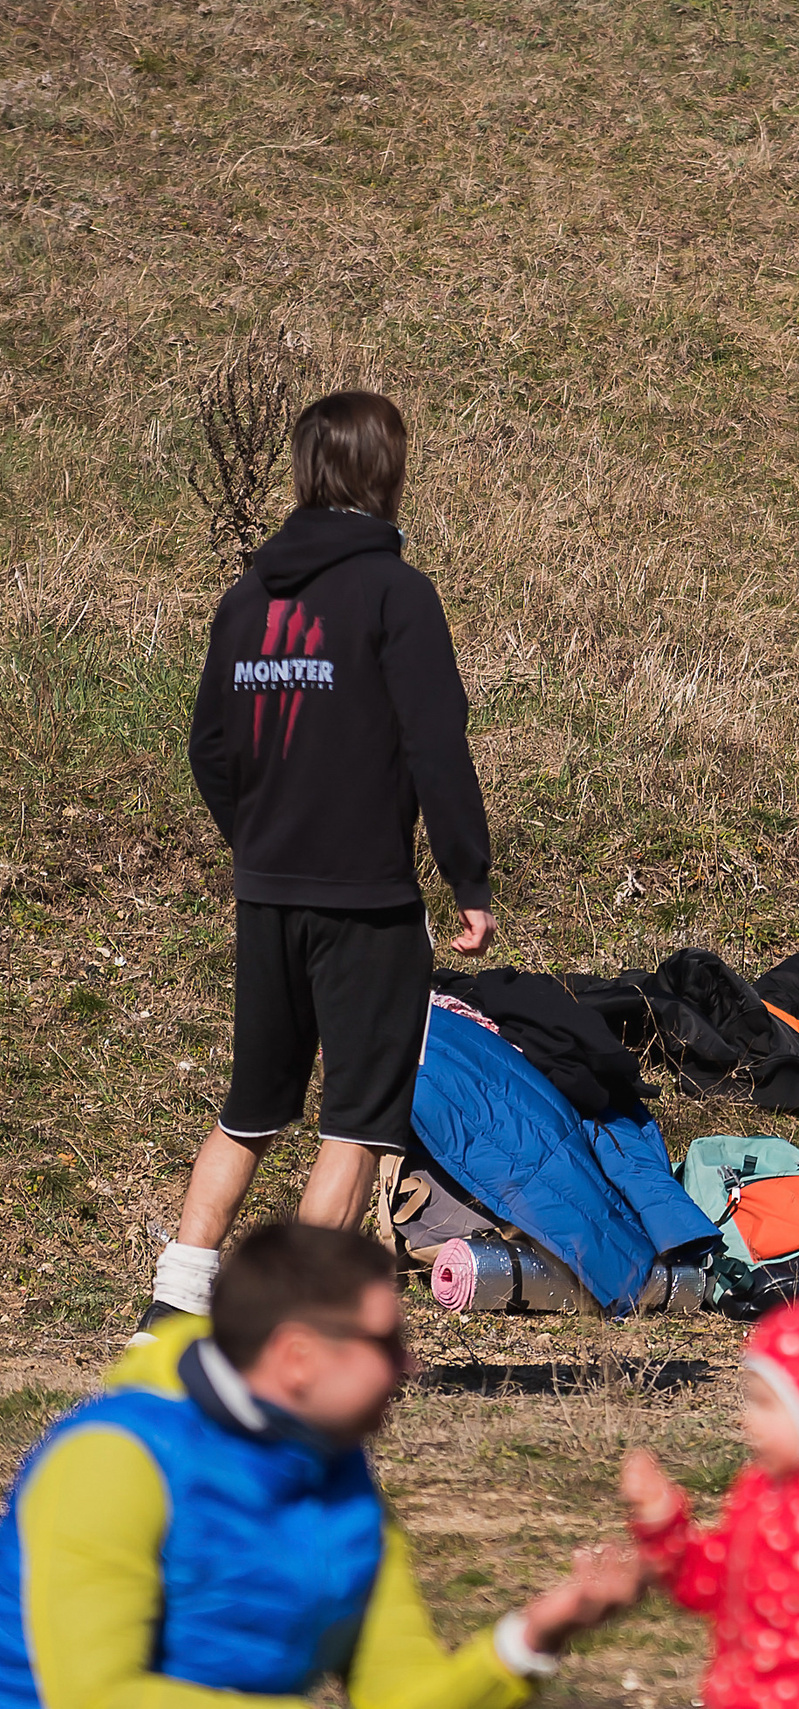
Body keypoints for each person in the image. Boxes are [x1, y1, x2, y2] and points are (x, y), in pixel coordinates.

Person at [146, 391, 496, 1338]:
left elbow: (209, 747)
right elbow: (437, 742)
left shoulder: (247, 597)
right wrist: (470, 877)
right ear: (385, 473)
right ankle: (288, 1332)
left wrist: (258, 839)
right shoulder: (397, 593)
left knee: (249, 1111)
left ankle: (171, 1306)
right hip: (368, 905)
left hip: (265, 895)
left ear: (306, 470)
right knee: (357, 1123)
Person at [0, 1222, 640, 1709]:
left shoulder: (336, 1471)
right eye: (386, 1342)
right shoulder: (112, 1463)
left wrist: (527, 1640)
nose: (410, 1365)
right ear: (298, 1358)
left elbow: (400, 1693)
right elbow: (96, 1695)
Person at [620, 1293, 799, 1709]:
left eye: (767, 1404)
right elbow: (712, 1585)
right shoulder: (759, 1491)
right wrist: (664, 1524)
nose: (748, 1419)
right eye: (750, 1400)